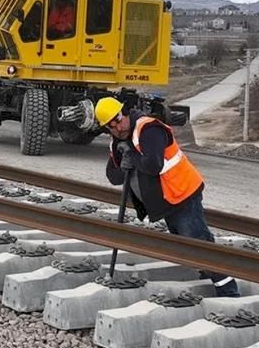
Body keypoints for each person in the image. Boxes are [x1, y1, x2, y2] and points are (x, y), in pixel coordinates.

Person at [95, 97, 240, 297]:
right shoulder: (118, 143)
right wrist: (125, 163)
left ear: (125, 112)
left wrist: (133, 158)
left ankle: (229, 292)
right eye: (111, 126)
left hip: (183, 192)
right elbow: (114, 177)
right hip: (167, 201)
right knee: (188, 245)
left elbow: (154, 165)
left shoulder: (149, 129)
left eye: (118, 120)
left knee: (198, 243)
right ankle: (208, 278)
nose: (118, 127)